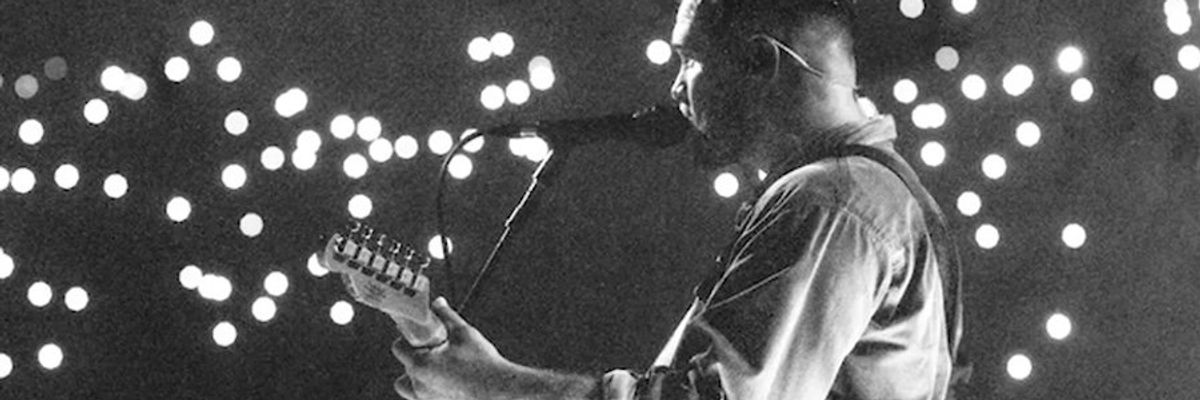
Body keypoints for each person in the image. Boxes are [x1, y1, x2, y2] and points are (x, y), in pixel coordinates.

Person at [391, 0, 963, 399]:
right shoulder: (860, 196)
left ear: (759, 62)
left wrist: (494, 386)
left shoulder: (829, 202)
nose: (675, 87)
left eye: (690, 59)